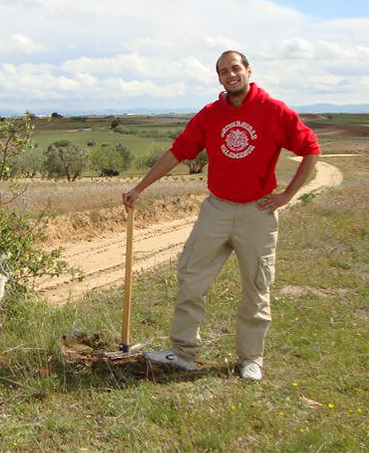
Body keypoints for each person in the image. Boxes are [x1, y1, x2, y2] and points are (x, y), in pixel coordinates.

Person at [122, 50, 320, 381]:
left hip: (257, 212)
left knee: (256, 286)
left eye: (235, 68)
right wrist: (140, 187)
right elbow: (178, 152)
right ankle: (183, 353)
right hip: (217, 208)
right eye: (223, 71)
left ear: (248, 71)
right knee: (190, 277)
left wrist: (287, 195)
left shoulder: (274, 111)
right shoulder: (211, 114)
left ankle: (251, 359)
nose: (230, 75)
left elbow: (311, 148)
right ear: (219, 78)